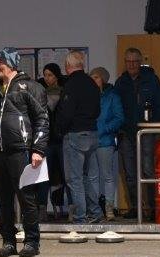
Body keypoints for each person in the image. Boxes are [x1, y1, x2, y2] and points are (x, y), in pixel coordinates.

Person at [0, 48, 49, 257]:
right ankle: (8, 241)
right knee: (3, 200)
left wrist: (38, 149)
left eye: (0, 62)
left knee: (27, 198)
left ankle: (32, 242)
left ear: (10, 64)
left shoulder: (30, 87)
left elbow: (42, 119)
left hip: (21, 150)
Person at [114, 47, 160, 219]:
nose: (131, 65)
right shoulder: (121, 82)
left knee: (148, 171)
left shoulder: (151, 80)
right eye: (128, 61)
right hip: (126, 133)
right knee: (130, 173)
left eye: (135, 61)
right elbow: (116, 108)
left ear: (140, 62)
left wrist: (153, 126)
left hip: (146, 132)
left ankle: (152, 208)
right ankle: (135, 208)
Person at [57, 51, 101, 224]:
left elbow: (66, 113)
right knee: (89, 177)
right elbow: (98, 110)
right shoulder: (92, 83)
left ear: (68, 66)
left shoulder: (70, 85)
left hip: (75, 134)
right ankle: (95, 213)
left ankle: (79, 217)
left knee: (75, 179)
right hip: (92, 133)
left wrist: (60, 130)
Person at [89, 66, 124, 221]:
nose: (93, 80)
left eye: (96, 77)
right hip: (90, 141)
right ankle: (95, 209)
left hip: (105, 141)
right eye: (91, 77)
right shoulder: (88, 96)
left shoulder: (112, 96)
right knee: (92, 177)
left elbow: (119, 118)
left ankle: (109, 208)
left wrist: (104, 129)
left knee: (107, 176)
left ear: (103, 79)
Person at [38, 63, 66, 219]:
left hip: (61, 139)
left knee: (64, 175)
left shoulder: (64, 92)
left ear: (57, 76)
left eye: (50, 75)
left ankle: (65, 207)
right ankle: (42, 207)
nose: (47, 78)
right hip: (47, 140)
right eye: (45, 75)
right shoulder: (40, 94)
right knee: (43, 176)